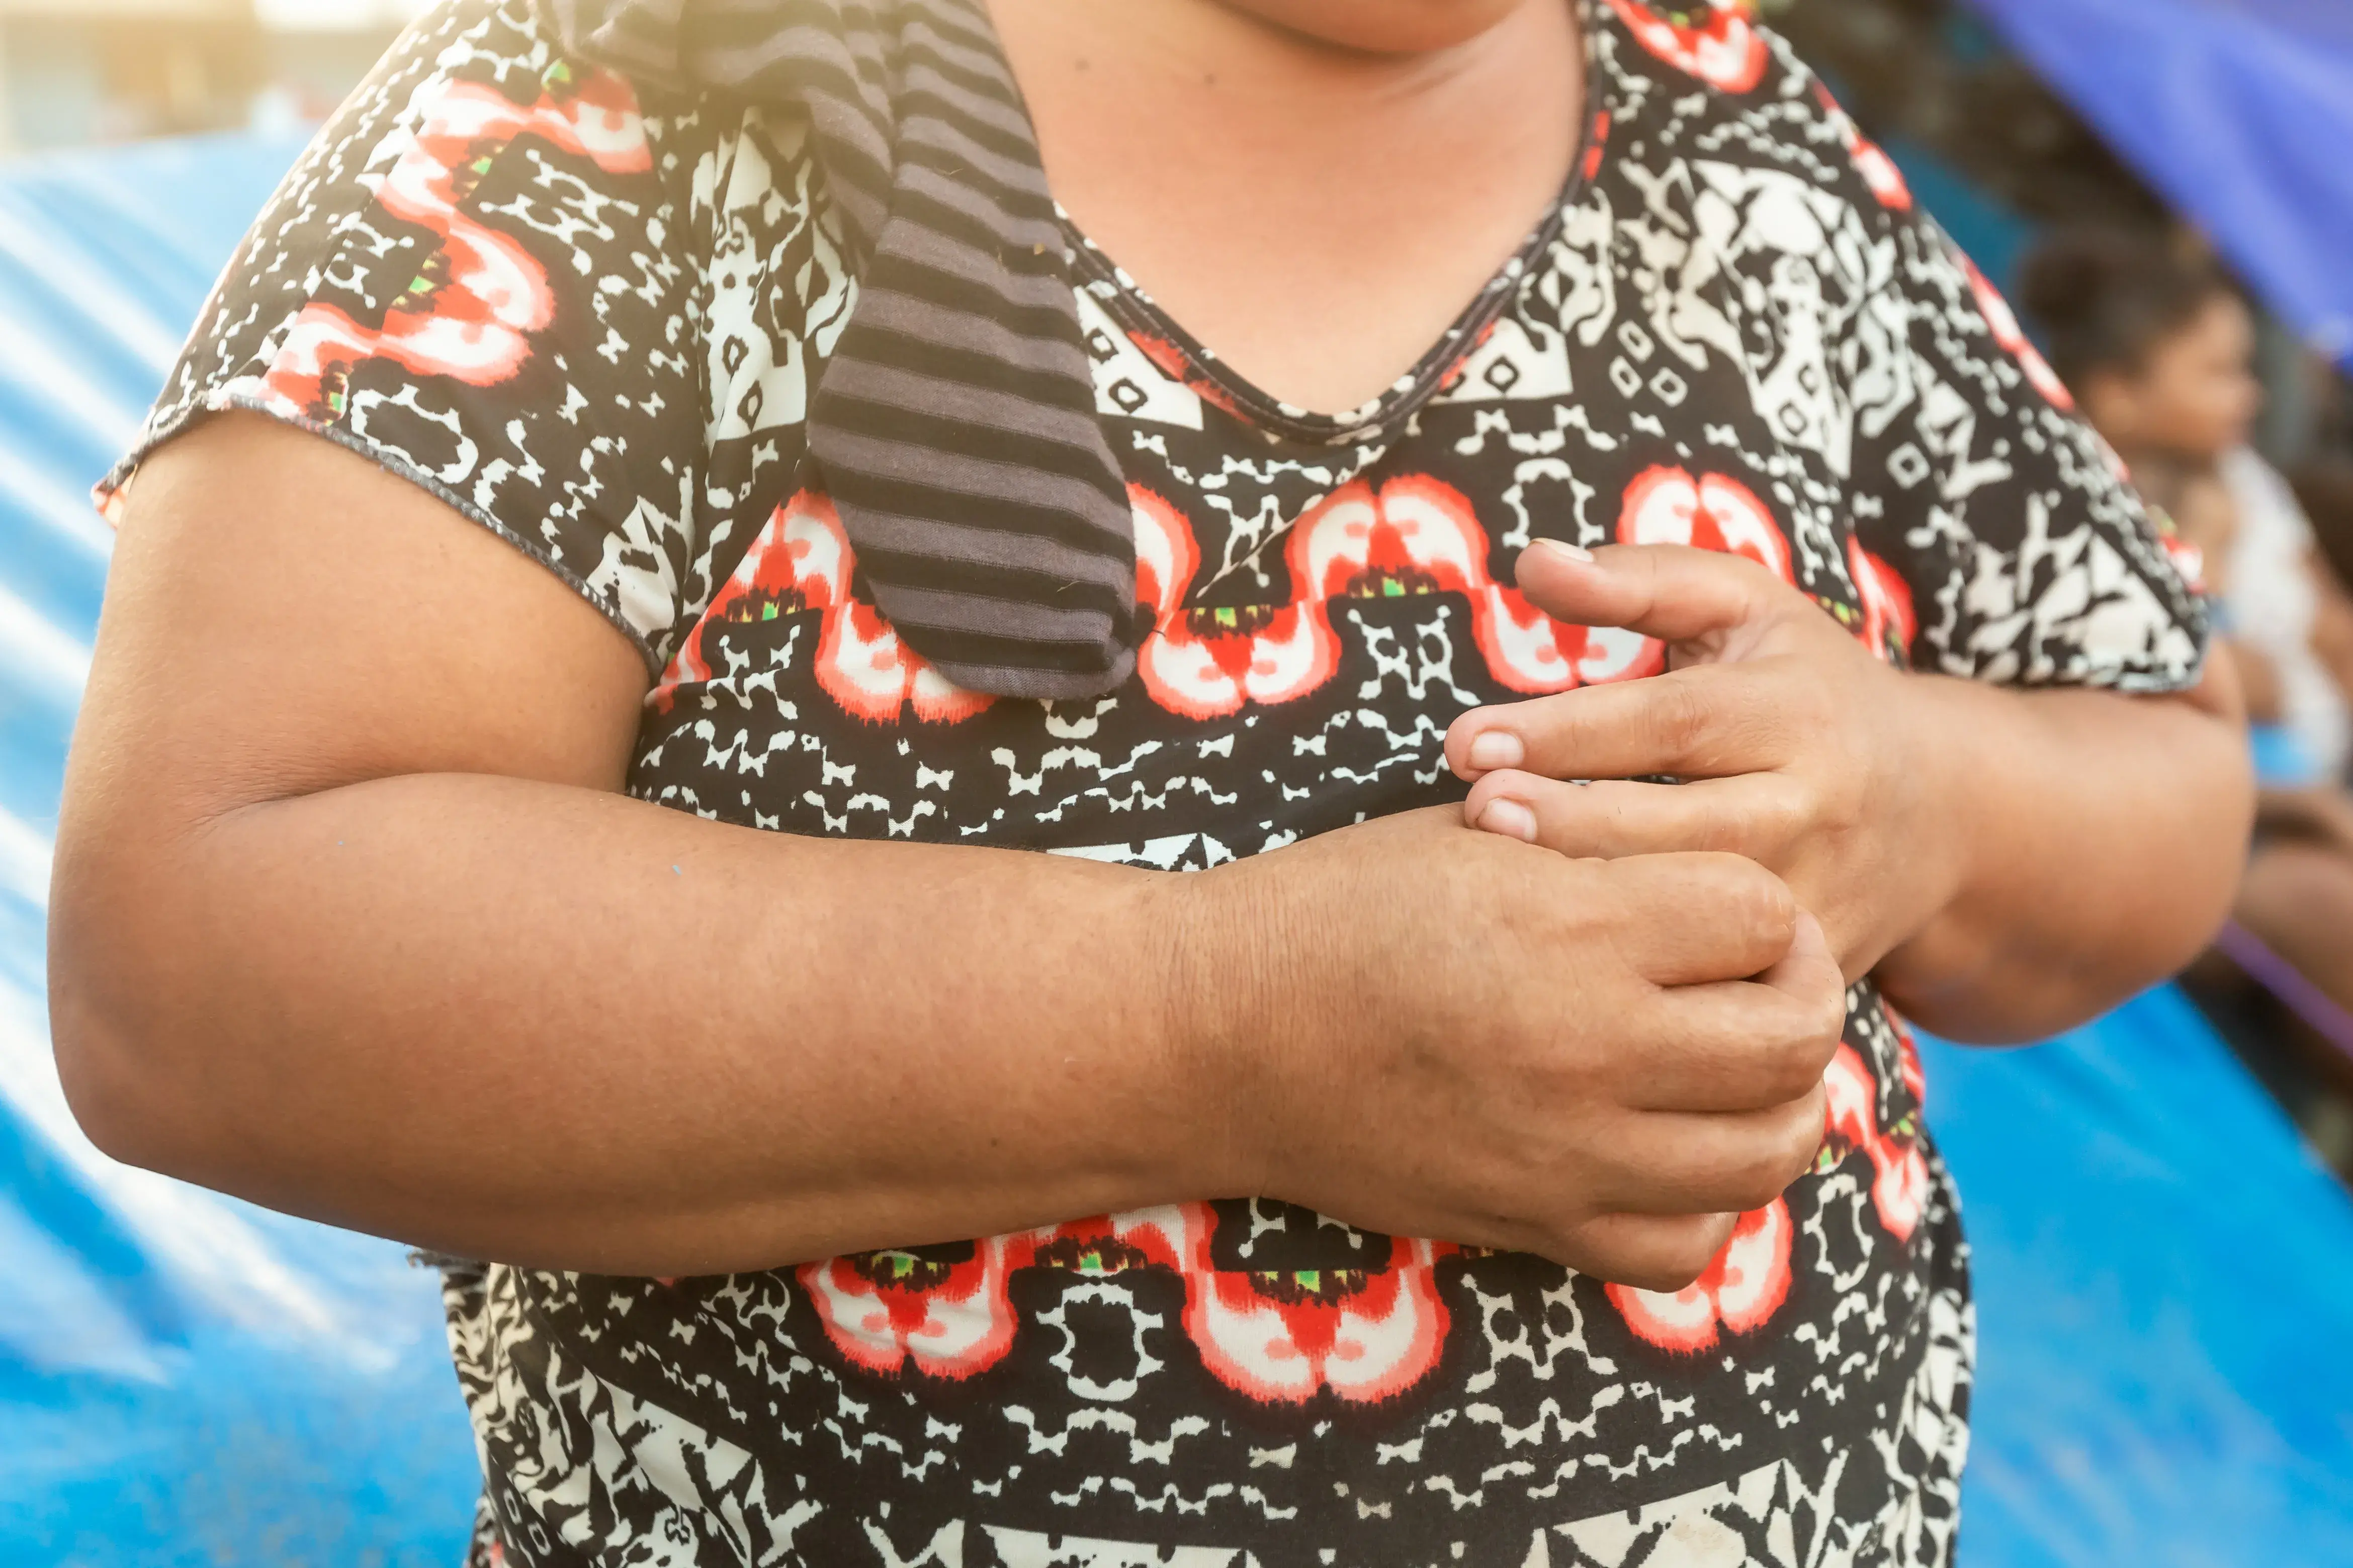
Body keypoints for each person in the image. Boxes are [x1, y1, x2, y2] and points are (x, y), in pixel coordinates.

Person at [49, 3, 2246, 1564]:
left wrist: (1919, 791)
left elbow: (2151, 762)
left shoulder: (1745, 139)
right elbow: (207, 943)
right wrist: (1217, 1021)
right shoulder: (646, 96)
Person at [2023, 226, 2353, 1021]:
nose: (2251, 396)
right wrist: (2303, 808)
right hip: (2201, 830)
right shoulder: (2070, 523)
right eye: (2218, 374)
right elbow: (2103, 747)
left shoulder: (2241, 486)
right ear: (2117, 395)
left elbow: (2320, 650)